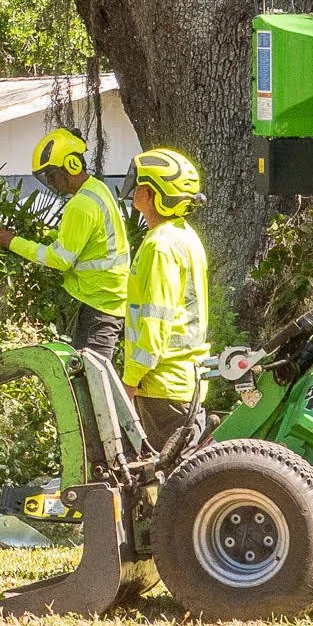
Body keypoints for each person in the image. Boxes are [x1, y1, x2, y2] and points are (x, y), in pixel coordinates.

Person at [0, 127, 128, 361]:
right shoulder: (97, 189)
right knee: (89, 375)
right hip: (106, 300)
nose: (51, 182)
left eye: (51, 175)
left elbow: (59, 259)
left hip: (100, 304)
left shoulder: (81, 204)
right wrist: (46, 235)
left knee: (93, 382)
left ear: (71, 165)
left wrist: (12, 242)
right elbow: (84, 241)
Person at [121, 147, 210, 448]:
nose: (134, 189)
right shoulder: (185, 236)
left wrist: (130, 383)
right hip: (186, 382)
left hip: (162, 388)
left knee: (172, 488)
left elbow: (155, 323)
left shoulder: (160, 246)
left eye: (140, 185)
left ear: (152, 194)